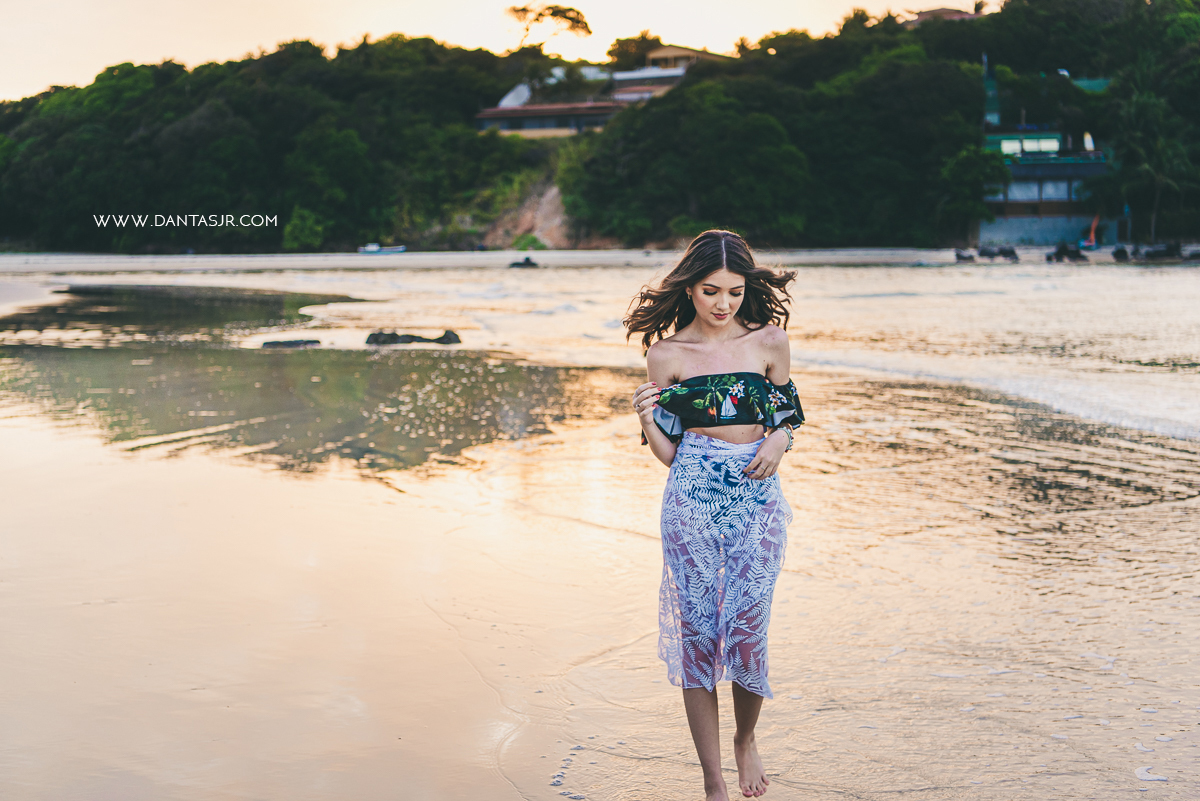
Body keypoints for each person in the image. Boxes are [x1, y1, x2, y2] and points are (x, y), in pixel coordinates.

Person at [625, 230, 803, 800]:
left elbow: (789, 412)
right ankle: (711, 777)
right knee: (698, 634)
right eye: (709, 290)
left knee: (749, 631)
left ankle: (745, 740)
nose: (723, 303)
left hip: (757, 495)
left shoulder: (770, 341)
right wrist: (647, 419)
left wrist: (778, 439)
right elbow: (668, 453)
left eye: (733, 290)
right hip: (692, 493)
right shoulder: (668, 355)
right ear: (690, 289)